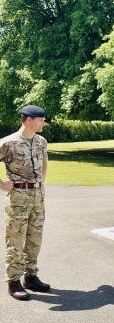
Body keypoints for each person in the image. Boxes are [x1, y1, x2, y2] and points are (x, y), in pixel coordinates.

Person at [0, 105, 50, 300]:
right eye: (41, 119)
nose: (43, 123)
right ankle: (14, 282)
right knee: (15, 239)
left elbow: (45, 160)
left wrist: (42, 180)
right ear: (29, 119)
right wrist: (3, 185)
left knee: (34, 237)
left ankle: (31, 277)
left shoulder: (41, 141)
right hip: (18, 197)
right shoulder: (9, 143)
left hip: (38, 195)